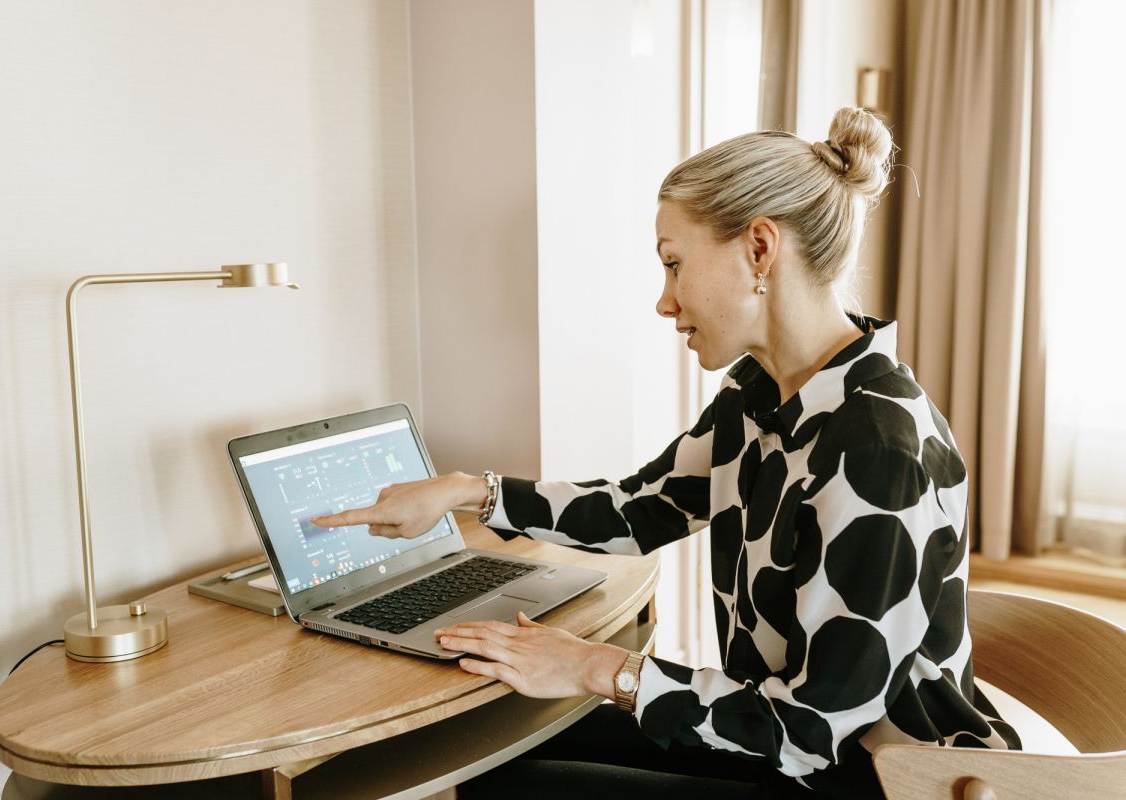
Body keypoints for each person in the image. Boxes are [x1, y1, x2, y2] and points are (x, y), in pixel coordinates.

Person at [310, 107, 1022, 798]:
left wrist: (603, 669)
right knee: (498, 743)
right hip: (780, 743)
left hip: (866, 781)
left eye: (675, 264)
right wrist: (468, 490)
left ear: (760, 250)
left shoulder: (877, 448)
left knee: (516, 776)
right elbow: (641, 509)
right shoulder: (762, 394)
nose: (664, 299)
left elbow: (811, 730)